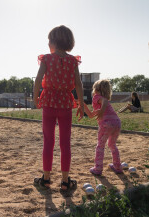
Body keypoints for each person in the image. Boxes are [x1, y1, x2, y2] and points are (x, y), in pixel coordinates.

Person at [33, 25, 84, 190]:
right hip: (65, 105)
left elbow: (38, 79)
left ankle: (46, 179)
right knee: (65, 143)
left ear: (53, 42)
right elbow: (78, 84)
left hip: (48, 103)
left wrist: (35, 97)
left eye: (49, 40)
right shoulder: (72, 61)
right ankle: (64, 180)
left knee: (48, 142)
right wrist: (81, 104)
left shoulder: (47, 59)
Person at [83, 79, 123, 175]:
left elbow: (104, 101)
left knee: (100, 145)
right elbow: (91, 115)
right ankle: (118, 167)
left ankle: (98, 168)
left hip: (106, 124)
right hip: (117, 123)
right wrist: (83, 106)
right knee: (112, 144)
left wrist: (101, 111)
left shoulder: (97, 97)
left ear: (96, 89)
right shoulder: (102, 101)